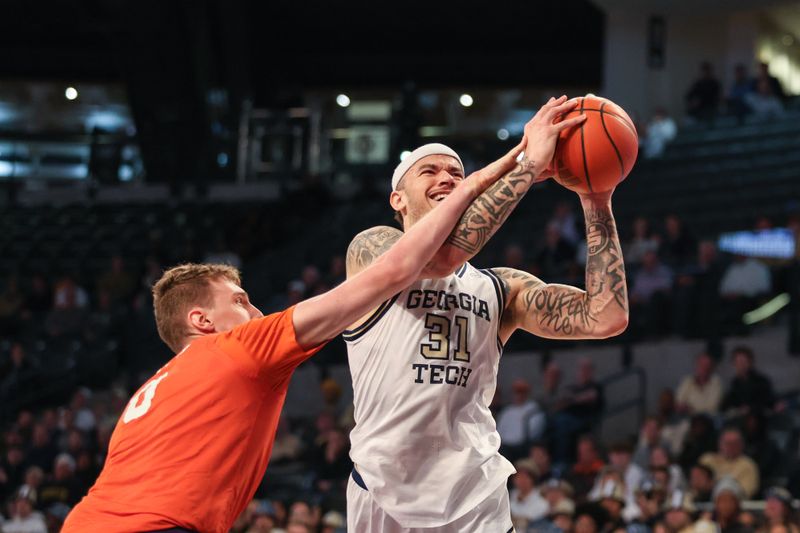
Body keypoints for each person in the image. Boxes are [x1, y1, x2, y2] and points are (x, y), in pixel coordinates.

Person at [62, 142, 511, 533]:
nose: (255, 311)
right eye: (239, 302)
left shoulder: (149, 392)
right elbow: (397, 270)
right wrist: (503, 170)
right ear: (201, 321)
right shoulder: (239, 348)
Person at [343, 95, 629, 532]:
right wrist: (526, 163)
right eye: (430, 171)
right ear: (397, 199)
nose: (446, 178)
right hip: (382, 488)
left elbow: (605, 317)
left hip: (474, 493)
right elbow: (438, 257)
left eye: (456, 174)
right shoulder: (371, 249)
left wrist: (597, 198)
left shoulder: (501, 288)